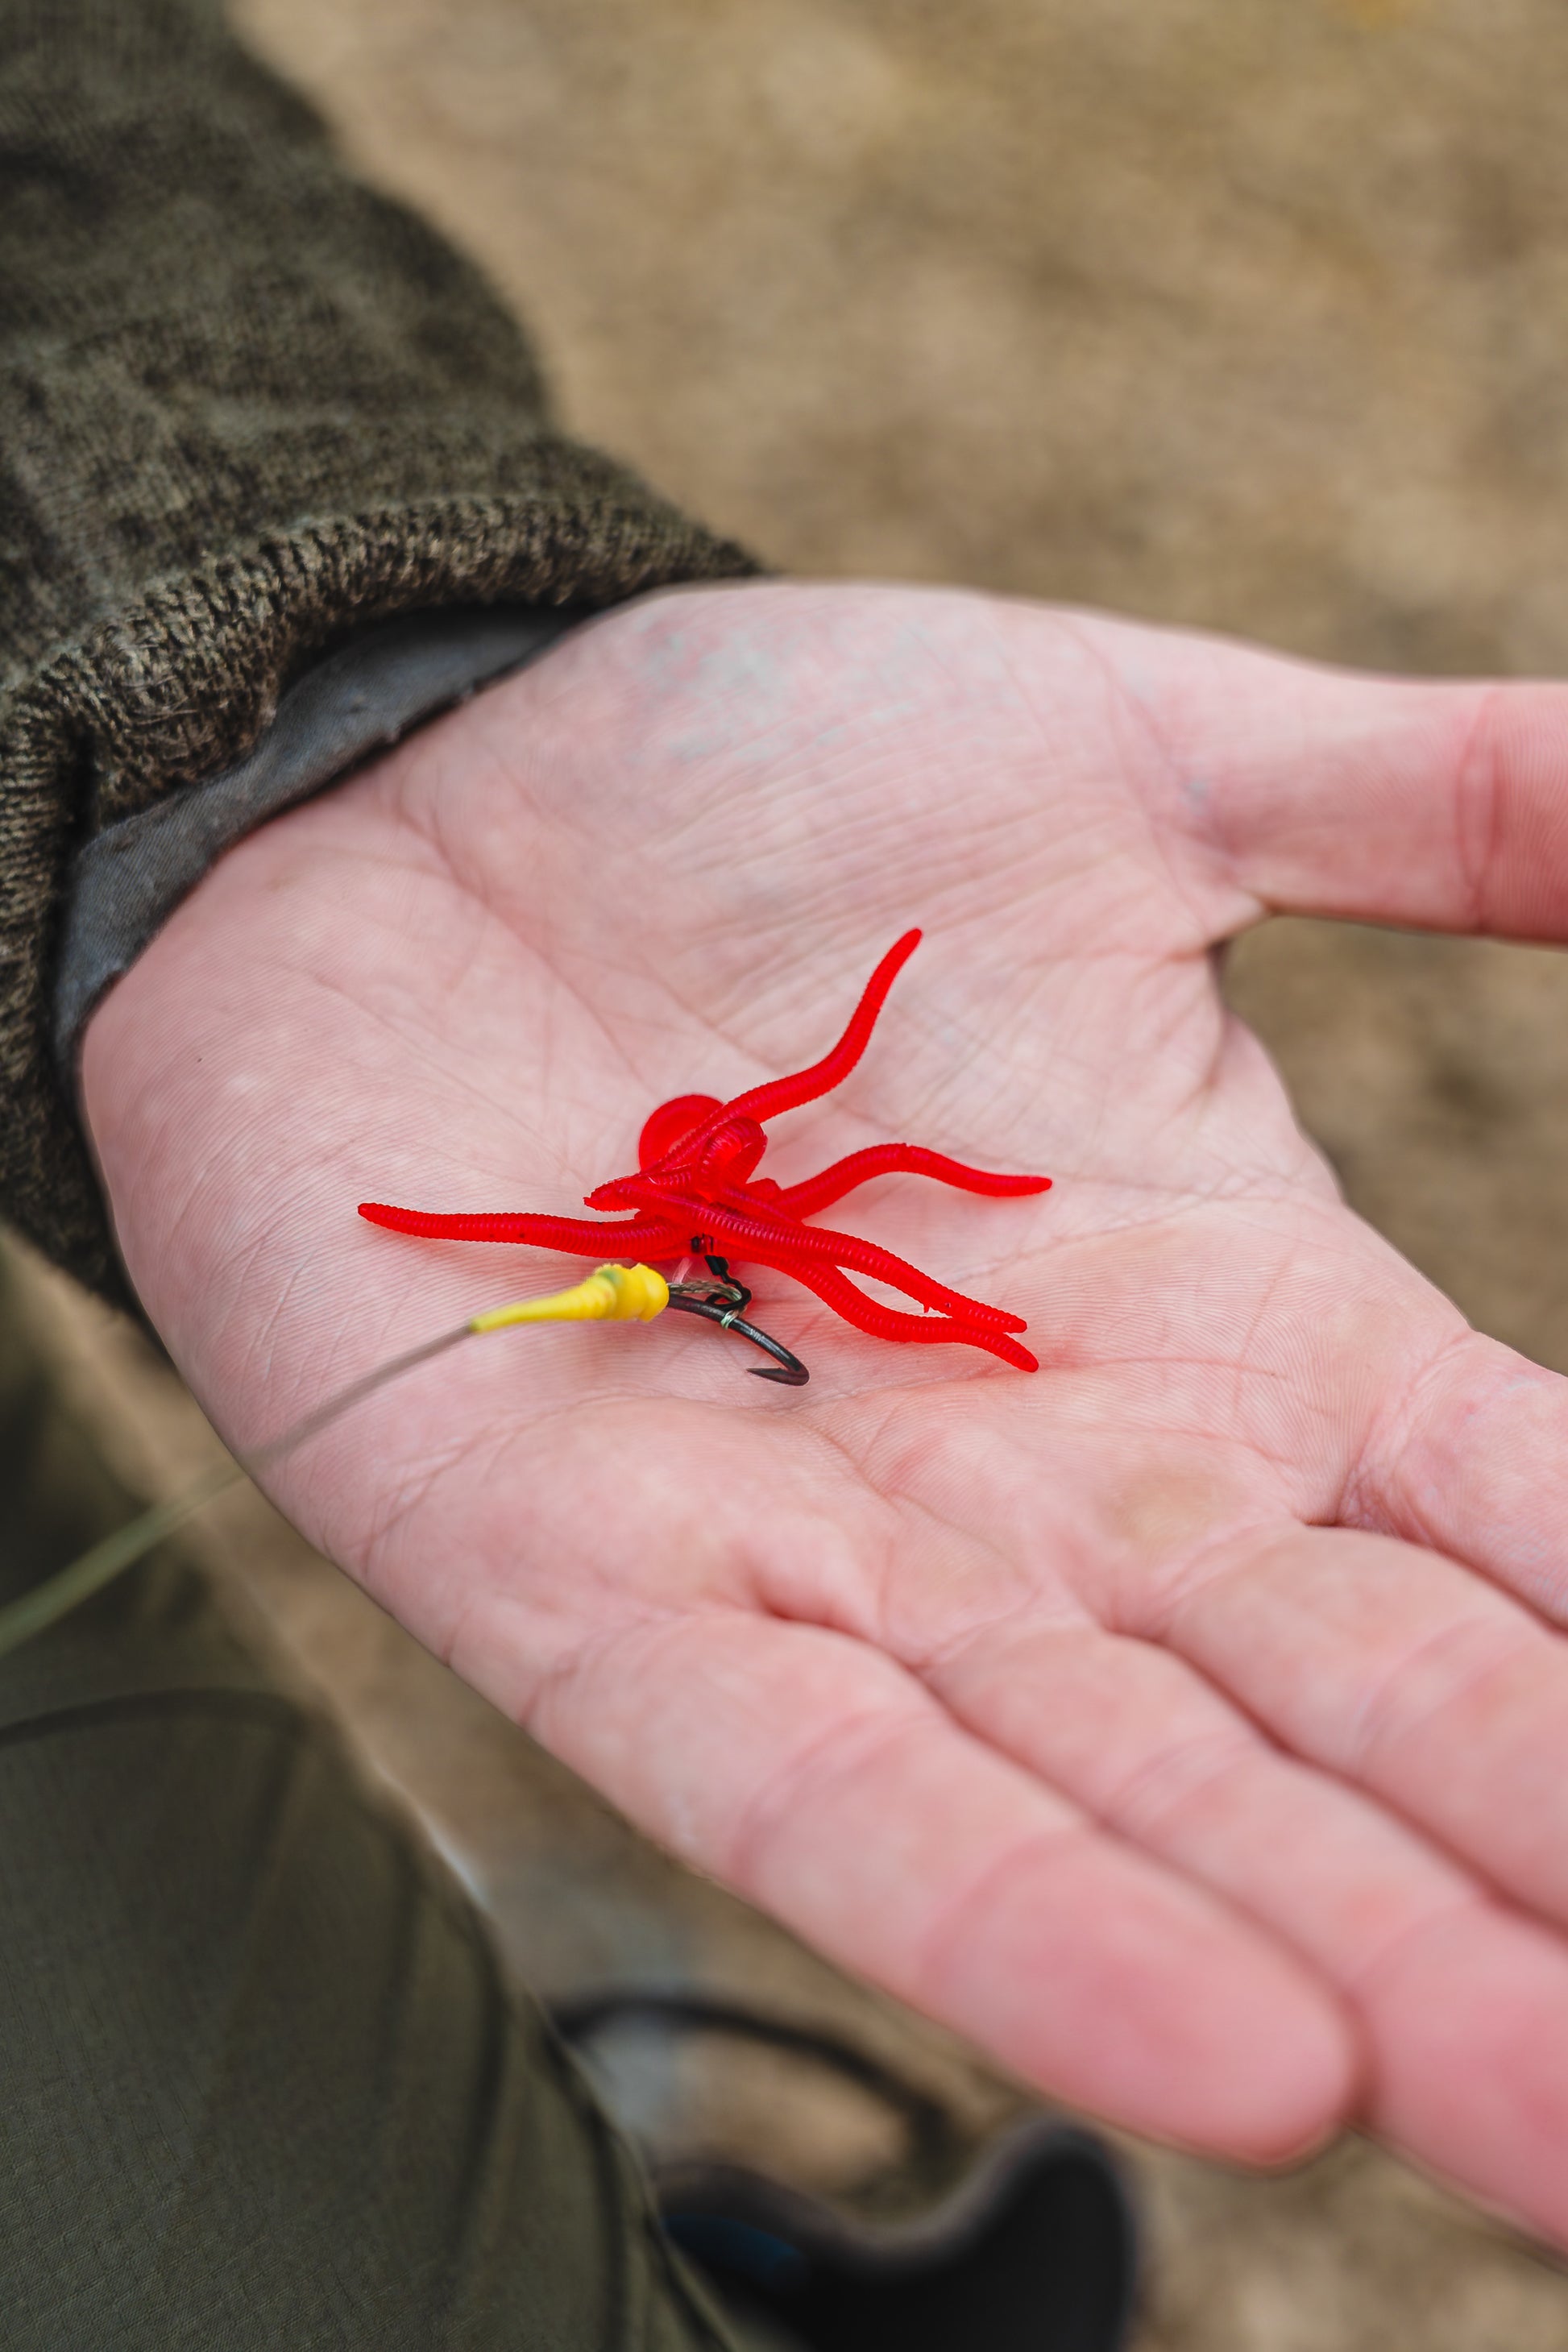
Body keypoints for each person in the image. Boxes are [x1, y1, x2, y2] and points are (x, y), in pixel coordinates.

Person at [8, 0, 1568, 2337]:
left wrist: (254, 725)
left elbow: (845, 1123)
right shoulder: (670, 1217)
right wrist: (459, 1218)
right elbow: (656, 1193)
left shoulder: (740, 1197)